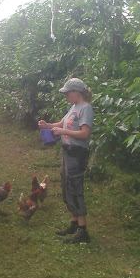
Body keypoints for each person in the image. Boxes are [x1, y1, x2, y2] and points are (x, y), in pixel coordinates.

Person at [38, 78, 94, 244]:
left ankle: (83, 231)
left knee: (76, 188)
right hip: (67, 152)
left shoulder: (86, 108)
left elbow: (85, 134)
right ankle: (74, 224)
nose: (66, 96)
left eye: (67, 93)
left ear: (76, 92)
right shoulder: (74, 107)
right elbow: (62, 123)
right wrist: (47, 125)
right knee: (67, 187)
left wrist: (62, 131)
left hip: (77, 154)